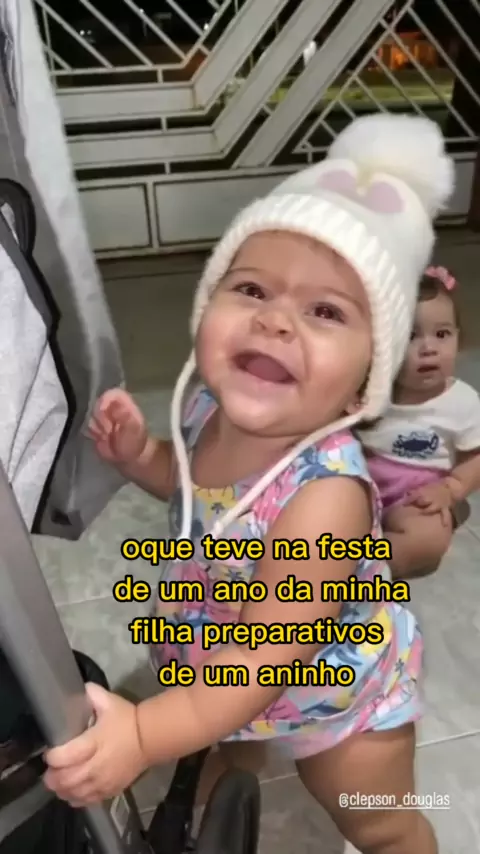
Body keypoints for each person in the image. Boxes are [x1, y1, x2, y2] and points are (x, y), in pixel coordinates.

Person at [43, 113, 455, 854]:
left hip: (328, 689)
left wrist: (145, 734)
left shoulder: (324, 500)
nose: (275, 322)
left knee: (377, 815)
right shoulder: (207, 406)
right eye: (253, 289)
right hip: (225, 646)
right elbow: (196, 491)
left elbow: (262, 662)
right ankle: (235, 746)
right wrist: (142, 458)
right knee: (228, 725)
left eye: (325, 311)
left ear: (364, 380)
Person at [360, 266, 480, 580]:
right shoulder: (370, 390)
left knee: (427, 538)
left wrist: (451, 489)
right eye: (411, 336)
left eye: (442, 334)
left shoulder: (462, 403)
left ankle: (370, 575)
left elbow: (476, 457)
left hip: (417, 496)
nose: (429, 348)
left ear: (459, 338)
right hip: (360, 485)